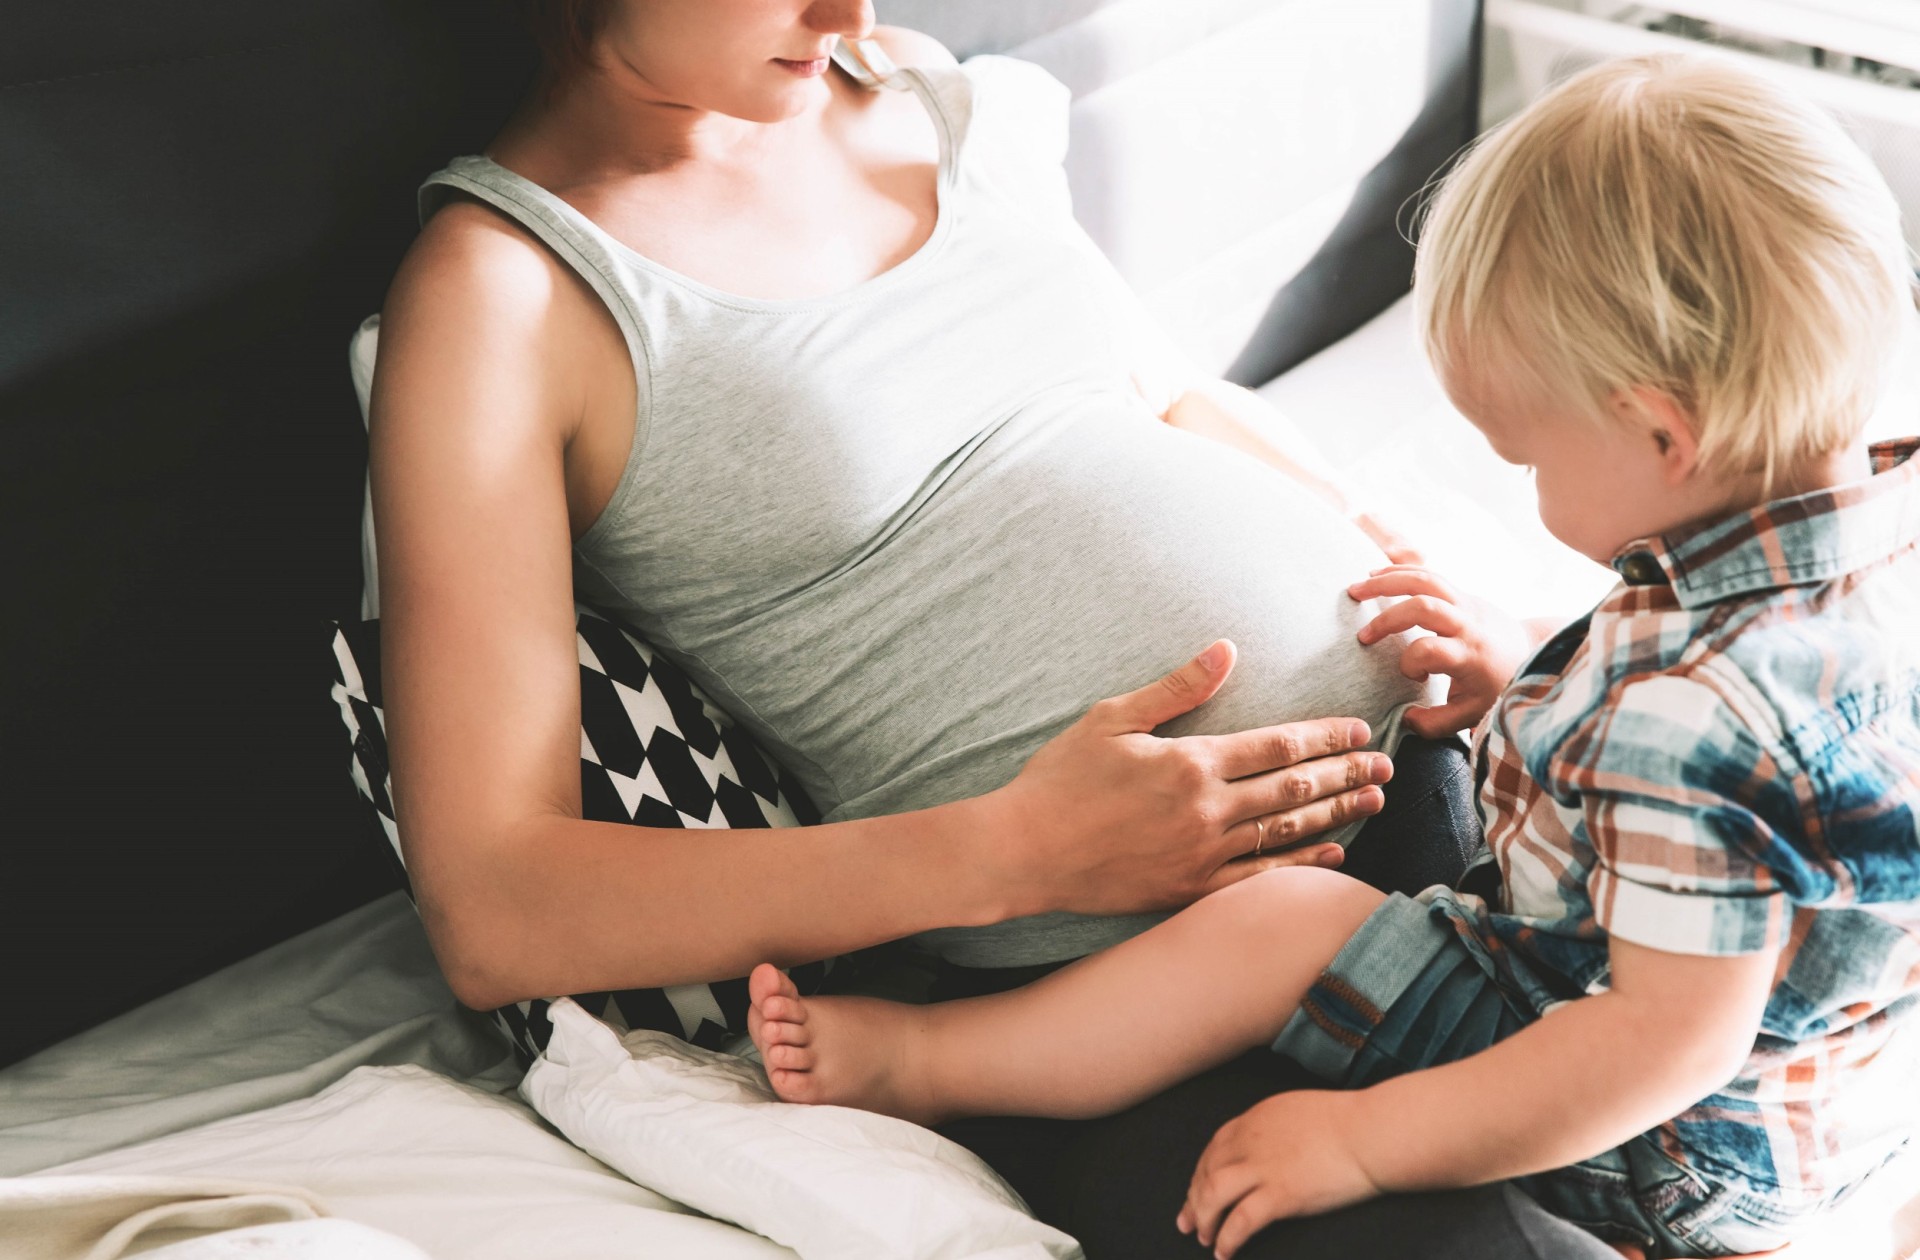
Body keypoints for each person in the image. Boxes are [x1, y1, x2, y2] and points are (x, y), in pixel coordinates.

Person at [365, 1, 1607, 1256]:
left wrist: (1441, 601)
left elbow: (1163, 396)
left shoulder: (912, 85)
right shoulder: (502, 299)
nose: (848, 10)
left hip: (1450, 785)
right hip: (1110, 1002)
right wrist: (1009, 853)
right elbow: (494, 905)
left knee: (1721, 1083)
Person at [743, 51, 1920, 1260]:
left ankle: (925, 1063)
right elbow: (1774, 818)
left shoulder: (1699, 715)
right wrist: (1526, 667)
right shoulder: (1857, 550)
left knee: (1280, 926)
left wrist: (1368, 1142)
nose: (1526, 486)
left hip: (1662, 1135)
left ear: (1663, 431)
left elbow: (1654, 1044)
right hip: (1841, 1111)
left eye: (1530, 458)